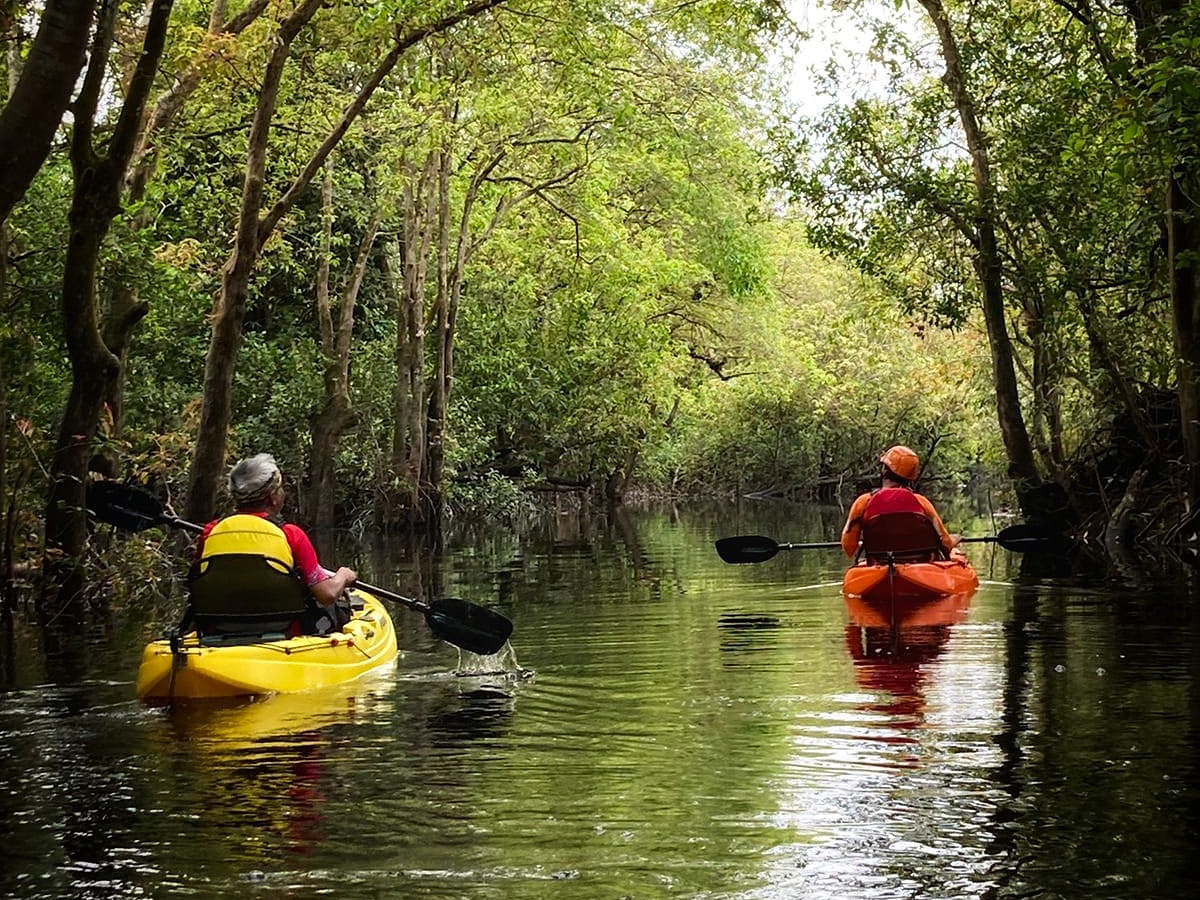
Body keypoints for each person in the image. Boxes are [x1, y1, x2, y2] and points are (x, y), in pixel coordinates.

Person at [187, 453, 357, 637]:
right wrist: (343, 575)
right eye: (280, 489)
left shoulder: (210, 531)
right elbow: (327, 595)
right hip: (283, 632)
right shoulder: (291, 535)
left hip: (218, 630)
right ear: (273, 498)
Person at [840, 445, 962, 561]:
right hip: (920, 566)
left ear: (884, 470)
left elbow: (849, 548)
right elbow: (945, 544)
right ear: (912, 476)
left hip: (880, 564)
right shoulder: (922, 503)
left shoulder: (863, 503)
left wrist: (863, 544)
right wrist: (955, 539)